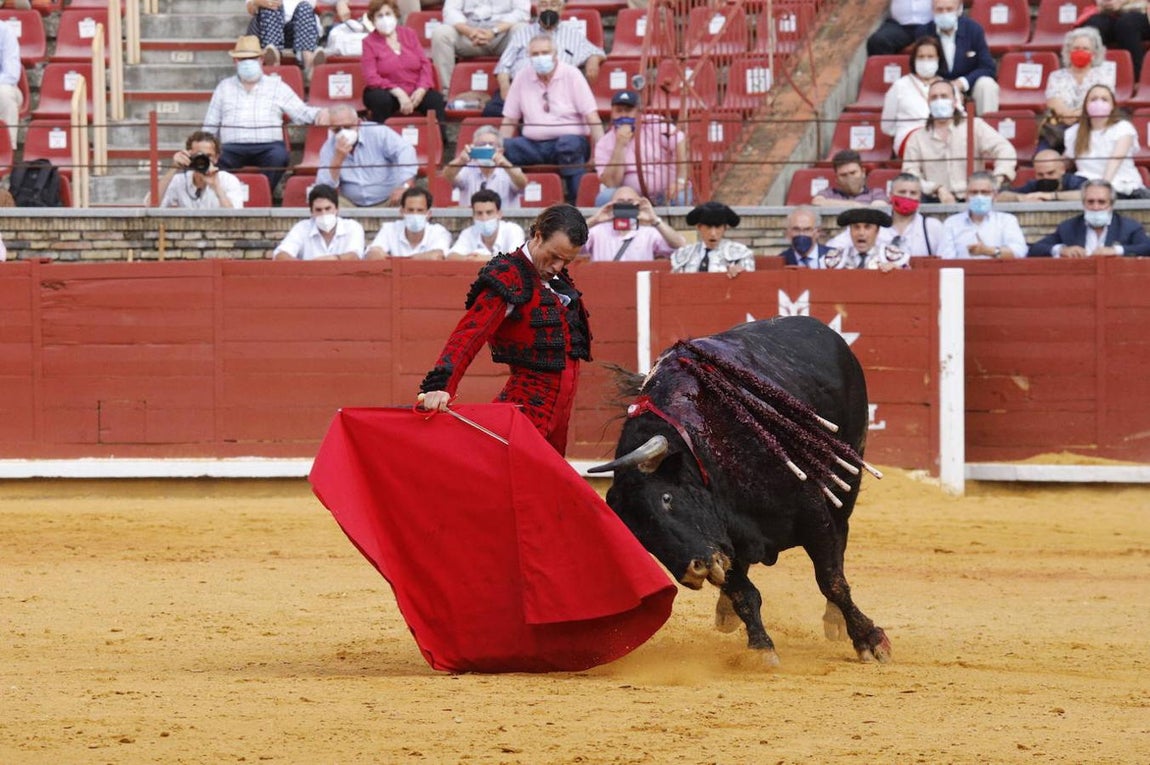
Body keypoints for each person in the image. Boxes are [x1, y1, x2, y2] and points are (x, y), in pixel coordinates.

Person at [417, 203, 592, 455]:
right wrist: (441, 385)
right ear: (538, 235)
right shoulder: (509, 276)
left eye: (566, 260)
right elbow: (469, 334)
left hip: (559, 418)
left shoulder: (557, 282)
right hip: (525, 413)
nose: (557, 266)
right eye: (553, 256)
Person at [203, 35, 330, 191]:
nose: (248, 62)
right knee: (213, 160)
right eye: (243, 59)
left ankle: (262, 194)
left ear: (261, 59)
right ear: (235, 62)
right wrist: (203, 148)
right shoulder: (224, 87)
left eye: (253, 58)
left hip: (268, 147)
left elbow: (300, 112)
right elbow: (210, 124)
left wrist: (321, 113)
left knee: (279, 157)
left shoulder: (276, 86)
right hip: (231, 147)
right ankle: (227, 196)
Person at [500, 35, 603, 204]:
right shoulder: (521, 76)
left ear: (555, 54)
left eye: (545, 52)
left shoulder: (572, 74)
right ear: (529, 57)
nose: (540, 57)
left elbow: (592, 116)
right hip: (533, 145)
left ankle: (577, 203)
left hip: (569, 143)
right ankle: (504, 205)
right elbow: (510, 120)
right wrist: (498, 150)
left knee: (568, 145)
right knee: (505, 148)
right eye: (535, 54)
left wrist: (597, 153)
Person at [902, 79, 1016, 203]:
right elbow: (910, 175)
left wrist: (996, 179)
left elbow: (1005, 150)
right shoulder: (917, 138)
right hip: (934, 201)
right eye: (934, 97)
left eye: (944, 96)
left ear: (955, 101)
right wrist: (937, 189)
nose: (939, 101)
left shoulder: (975, 126)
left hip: (973, 199)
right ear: (928, 102)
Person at [487, 0, 605, 117]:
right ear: (537, 9)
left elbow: (595, 51)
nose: (548, 9)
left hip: (556, 90)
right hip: (521, 87)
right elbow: (503, 66)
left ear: (562, 8)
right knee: (492, 111)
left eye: (553, 4)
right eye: (543, 4)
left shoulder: (573, 34)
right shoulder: (522, 32)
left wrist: (593, 61)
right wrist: (505, 88)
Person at [360, 0, 447, 144]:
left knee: (435, 100)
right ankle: (379, 143)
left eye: (388, 14)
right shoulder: (368, 42)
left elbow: (425, 64)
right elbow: (371, 77)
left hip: (414, 89)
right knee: (380, 100)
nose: (385, 19)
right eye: (379, 16)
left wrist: (421, 89)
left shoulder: (409, 34)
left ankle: (439, 145)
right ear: (373, 20)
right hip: (386, 91)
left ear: (395, 15)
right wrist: (397, 92)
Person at [593, 90, 690, 207]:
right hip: (629, 197)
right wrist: (620, 145)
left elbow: (680, 140)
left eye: (628, 110)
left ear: (638, 112)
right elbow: (611, 183)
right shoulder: (604, 143)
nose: (623, 115)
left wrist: (680, 181)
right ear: (612, 113)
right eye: (619, 111)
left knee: (680, 198)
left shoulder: (654, 123)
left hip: (666, 192)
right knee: (604, 197)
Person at [316, 104, 418, 208]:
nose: (343, 133)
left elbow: (406, 150)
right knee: (327, 203)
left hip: (389, 199)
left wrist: (405, 186)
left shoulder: (378, 132)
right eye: (337, 130)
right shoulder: (329, 147)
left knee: (408, 200)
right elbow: (323, 188)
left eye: (348, 127)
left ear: (359, 123)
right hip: (351, 204)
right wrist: (337, 160)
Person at [1063, 84, 1150, 200]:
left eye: (1104, 99)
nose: (1099, 103)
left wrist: (1102, 189)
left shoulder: (1123, 128)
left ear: (1112, 106)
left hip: (1122, 188)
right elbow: (1063, 162)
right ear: (1085, 105)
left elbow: (1116, 160)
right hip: (1086, 186)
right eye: (1093, 99)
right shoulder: (1073, 132)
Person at [827, 173, 943, 257]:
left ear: (920, 197)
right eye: (902, 192)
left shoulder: (932, 227)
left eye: (913, 193)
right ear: (891, 195)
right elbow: (834, 246)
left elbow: (944, 260)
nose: (907, 197)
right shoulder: (873, 223)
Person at [914, 0, 998, 114]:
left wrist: (961, 83)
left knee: (987, 85)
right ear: (932, 10)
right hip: (937, 85)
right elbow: (920, 67)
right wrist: (945, 86)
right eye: (939, 9)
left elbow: (988, 67)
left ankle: (988, 128)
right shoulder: (924, 32)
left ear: (959, 9)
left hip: (969, 83)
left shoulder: (973, 29)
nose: (944, 13)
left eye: (949, 9)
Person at [1028, 178, 1150, 257]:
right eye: (1090, 202)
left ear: (1111, 204)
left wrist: (1115, 251)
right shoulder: (1069, 227)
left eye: (1101, 202)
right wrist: (1062, 250)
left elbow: (1146, 247)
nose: (1095, 207)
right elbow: (1035, 249)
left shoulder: (1129, 227)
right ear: (1083, 203)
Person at [431, 0, 529, 93]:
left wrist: (494, 31)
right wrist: (469, 31)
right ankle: (445, 94)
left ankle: (518, 92)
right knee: (441, 34)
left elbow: (522, 12)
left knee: (522, 30)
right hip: (469, 35)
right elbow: (450, 10)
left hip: (502, 34)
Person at [1042, 27, 1114, 153]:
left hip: (1090, 127)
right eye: (1076, 48)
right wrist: (1067, 115)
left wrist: (1078, 115)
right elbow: (1053, 101)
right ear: (1068, 52)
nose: (1080, 52)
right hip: (1059, 129)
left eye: (1085, 49)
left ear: (1094, 54)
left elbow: (1103, 100)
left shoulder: (1104, 74)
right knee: (1043, 156)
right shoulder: (1056, 76)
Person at [581, 186, 685, 262]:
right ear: (611, 204)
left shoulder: (649, 233)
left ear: (639, 204)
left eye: (630, 201)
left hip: (639, 286)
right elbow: (570, 242)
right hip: (604, 283)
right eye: (620, 201)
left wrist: (654, 220)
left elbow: (680, 245)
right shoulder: (598, 231)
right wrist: (594, 219)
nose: (625, 204)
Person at [937, 171, 1027, 259]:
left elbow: (1019, 252)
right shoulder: (952, 223)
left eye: (985, 192)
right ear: (966, 195)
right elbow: (945, 258)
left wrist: (988, 251)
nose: (979, 196)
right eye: (974, 192)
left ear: (994, 195)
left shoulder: (1007, 221)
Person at [881, 36, 943, 157]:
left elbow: (960, 119)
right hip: (910, 139)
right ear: (914, 60)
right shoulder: (900, 86)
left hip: (943, 138)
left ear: (938, 59)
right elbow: (887, 126)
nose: (925, 60)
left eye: (930, 57)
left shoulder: (947, 86)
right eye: (921, 57)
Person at [442, 124, 528, 208]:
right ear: (474, 148)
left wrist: (505, 164)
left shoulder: (509, 171)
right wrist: (461, 160)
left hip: (504, 221)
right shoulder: (467, 169)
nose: (487, 147)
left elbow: (522, 183)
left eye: (491, 144)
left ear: (501, 151)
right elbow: (448, 175)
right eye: (481, 144)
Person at [273, 183, 366, 260]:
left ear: (337, 209)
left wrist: (330, 260)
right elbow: (280, 255)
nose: (324, 213)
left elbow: (355, 256)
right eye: (318, 210)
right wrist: (307, 267)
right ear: (311, 212)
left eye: (328, 208)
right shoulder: (302, 228)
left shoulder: (352, 227)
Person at [155, 130, 245, 209]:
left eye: (208, 156)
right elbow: (151, 205)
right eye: (199, 155)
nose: (203, 161)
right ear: (189, 156)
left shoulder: (228, 180)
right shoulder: (179, 180)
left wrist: (216, 187)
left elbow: (235, 217)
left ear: (216, 158)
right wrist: (173, 168)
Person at [670, 201, 755, 277]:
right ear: (699, 227)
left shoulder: (741, 253)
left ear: (725, 228)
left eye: (718, 227)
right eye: (708, 227)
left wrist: (741, 272)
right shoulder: (684, 254)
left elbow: (749, 281)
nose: (713, 233)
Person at [365, 186, 453, 259]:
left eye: (420, 210)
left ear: (428, 214)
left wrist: (394, 260)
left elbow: (436, 257)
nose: (415, 214)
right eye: (410, 210)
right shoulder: (389, 229)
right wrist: (419, 258)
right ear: (402, 212)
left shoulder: (438, 232)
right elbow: (372, 255)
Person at [244, 0, 323, 80]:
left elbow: (311, 6)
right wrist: (261, 2)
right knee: (272, 6)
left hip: (296, 32)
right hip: (267, 27)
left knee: (304, 7)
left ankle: (309, 63)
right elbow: (250, 8)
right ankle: (273, 57)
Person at [1079, 0, 1150, 80]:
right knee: (1093, 26)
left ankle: (1137, 79)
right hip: (1107, 12)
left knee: (1127, 24)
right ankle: (1087, 79)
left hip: (1141, 10)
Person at [447, 188, 527, 260]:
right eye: (479, 213)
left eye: (489, 212)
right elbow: (451, 256)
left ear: (499, 214)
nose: (484, 218)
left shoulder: (513, 230)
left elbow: (516, 259)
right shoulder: (468, 233)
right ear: (473, 215)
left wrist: (485, 259)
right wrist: (469, 259)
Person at [825, 208, 910, 271]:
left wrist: (897, 271)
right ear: (850, 231)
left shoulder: (894, 257)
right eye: (856, 227)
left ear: (877, 231)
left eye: (867, 227)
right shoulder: (834, 259)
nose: (861, 233)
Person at [996, 149, 1086, 202]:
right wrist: (1020, 197)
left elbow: (1088, 194)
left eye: (1050, 173)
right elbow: (999, 195)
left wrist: (1052, 196)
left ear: (1062, 169)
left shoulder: (1073, 181)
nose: (1045, 177)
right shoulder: (1034, 185)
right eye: (1040, 174)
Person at [811, 149, 891, 208]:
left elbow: (878, 208)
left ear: (863, 172)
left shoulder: (876, 193)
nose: (849, 178)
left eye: (853, 173)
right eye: (843, 175)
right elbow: (817, 202)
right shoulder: (829, 193)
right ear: (836, 178)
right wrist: (853, 205)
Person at [867, 0, 934, 56]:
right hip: (899, 25)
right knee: (878, 41)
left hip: (929, 24)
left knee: (935, 38)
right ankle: (886, 70)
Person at [0, 22, 22, 148]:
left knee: (4, 94)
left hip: (4, 86)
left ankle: (5, 152)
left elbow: (12, 74)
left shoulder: (5, 31)